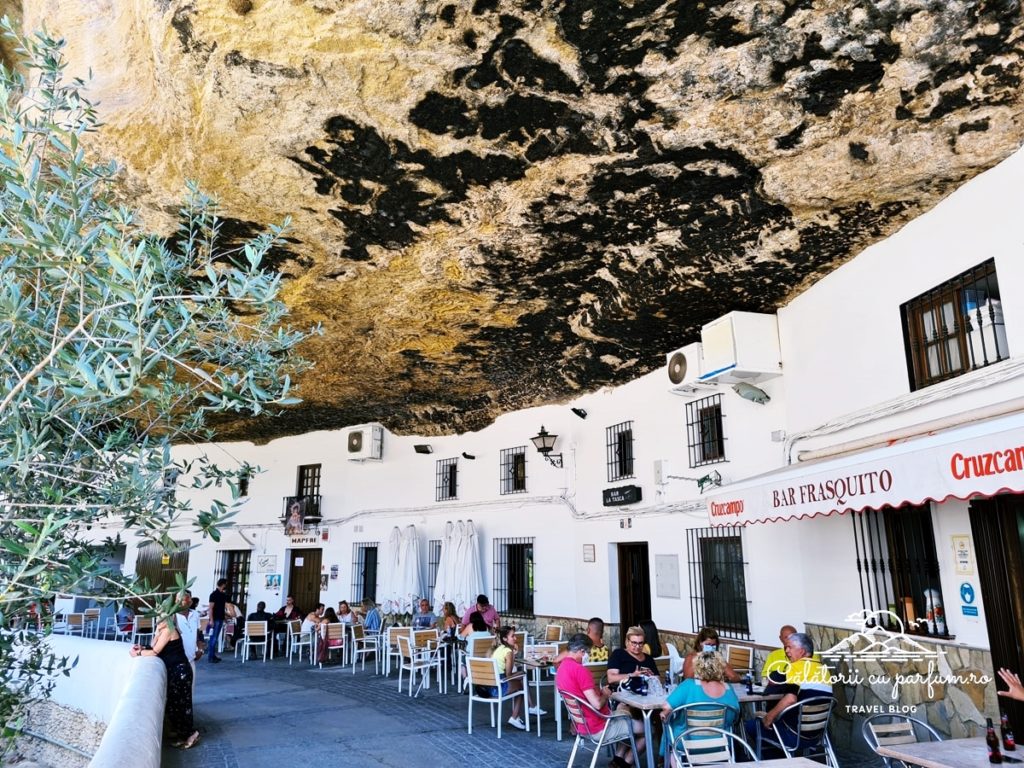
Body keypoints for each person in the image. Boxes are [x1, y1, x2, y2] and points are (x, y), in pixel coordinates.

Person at [557, 633, 645, 767]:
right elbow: (597, 704)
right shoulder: (580, 670)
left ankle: (619, 759)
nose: (588, 656)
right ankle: (626, 763)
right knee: (648, 730)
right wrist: (604, 694)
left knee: (623, 710)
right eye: (588, 653)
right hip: (599, 727)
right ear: (581, 651)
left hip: (582, 725)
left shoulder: (561, 668)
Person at [745, 632, 832, 756]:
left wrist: (769, 717)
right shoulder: (823, 669)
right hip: (817, 735)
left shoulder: (795, 667)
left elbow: (791, 699)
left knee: (753, 725)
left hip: (794, 736)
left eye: (790, 647)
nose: (786, 651)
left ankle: (776, 761)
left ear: (801, 651)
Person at [130, 618, 200, 749]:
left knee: (182, 705)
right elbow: (155, 648)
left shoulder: (169, 629)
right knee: (174, 704)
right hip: (173, 672)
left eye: (161, 617)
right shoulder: (162, 630)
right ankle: (181, 735)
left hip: (180, 672)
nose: (158, 620)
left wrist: (138, 653)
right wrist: (144, 647)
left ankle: (190, 734)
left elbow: (155, 652)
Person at [661, 651, 739, 755]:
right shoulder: (729, 688)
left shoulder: (688, 685)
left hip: (686, 742)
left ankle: (666, 761)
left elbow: (666, 706)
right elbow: (735, 717)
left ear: (698, 667)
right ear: (721, 667)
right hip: (721, 743)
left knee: (669, 725)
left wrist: (666, 713)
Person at [492, 625, 545, 730]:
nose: (515, 638)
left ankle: (531, 707)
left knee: (521, 678)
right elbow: (508, 675)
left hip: (490, 685)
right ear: (505, 639)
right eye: (513, 636)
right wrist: (521, 673)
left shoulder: (499, 649)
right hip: (498, 687)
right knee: (521, 684)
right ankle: (516, 716)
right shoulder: (508, 652)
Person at [608, 625, 659, 693]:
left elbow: (658, 680)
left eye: (640, 643)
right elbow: (611, 678)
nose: (637, 646)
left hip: (645, 693)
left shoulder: (648, 658)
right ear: (627, 641)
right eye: (634, 643)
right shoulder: (618, 654)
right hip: (623, 694)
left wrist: (651, 677)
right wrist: (632, 675)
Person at [175, 591, 201, 694]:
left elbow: (199, 633)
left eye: (189, 598)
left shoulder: (195, 614)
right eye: (186, 599)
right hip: (177, 660)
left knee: (190, 689)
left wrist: (200, 649)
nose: (189, 601)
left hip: (190, 659)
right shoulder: (172, 616)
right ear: (177, 601)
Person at [206, 578, 228, 663]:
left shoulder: (222, 595)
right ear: (223, 584)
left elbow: (221, 608)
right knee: (213, 638)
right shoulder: (214, 594)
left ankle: (213, 655)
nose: (226, 586)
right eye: (225, 584)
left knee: (215, 638)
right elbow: (211, 608)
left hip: (220, 618)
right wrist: (211, 620)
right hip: (215, 619)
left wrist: (224, 617)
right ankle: (210, 657)